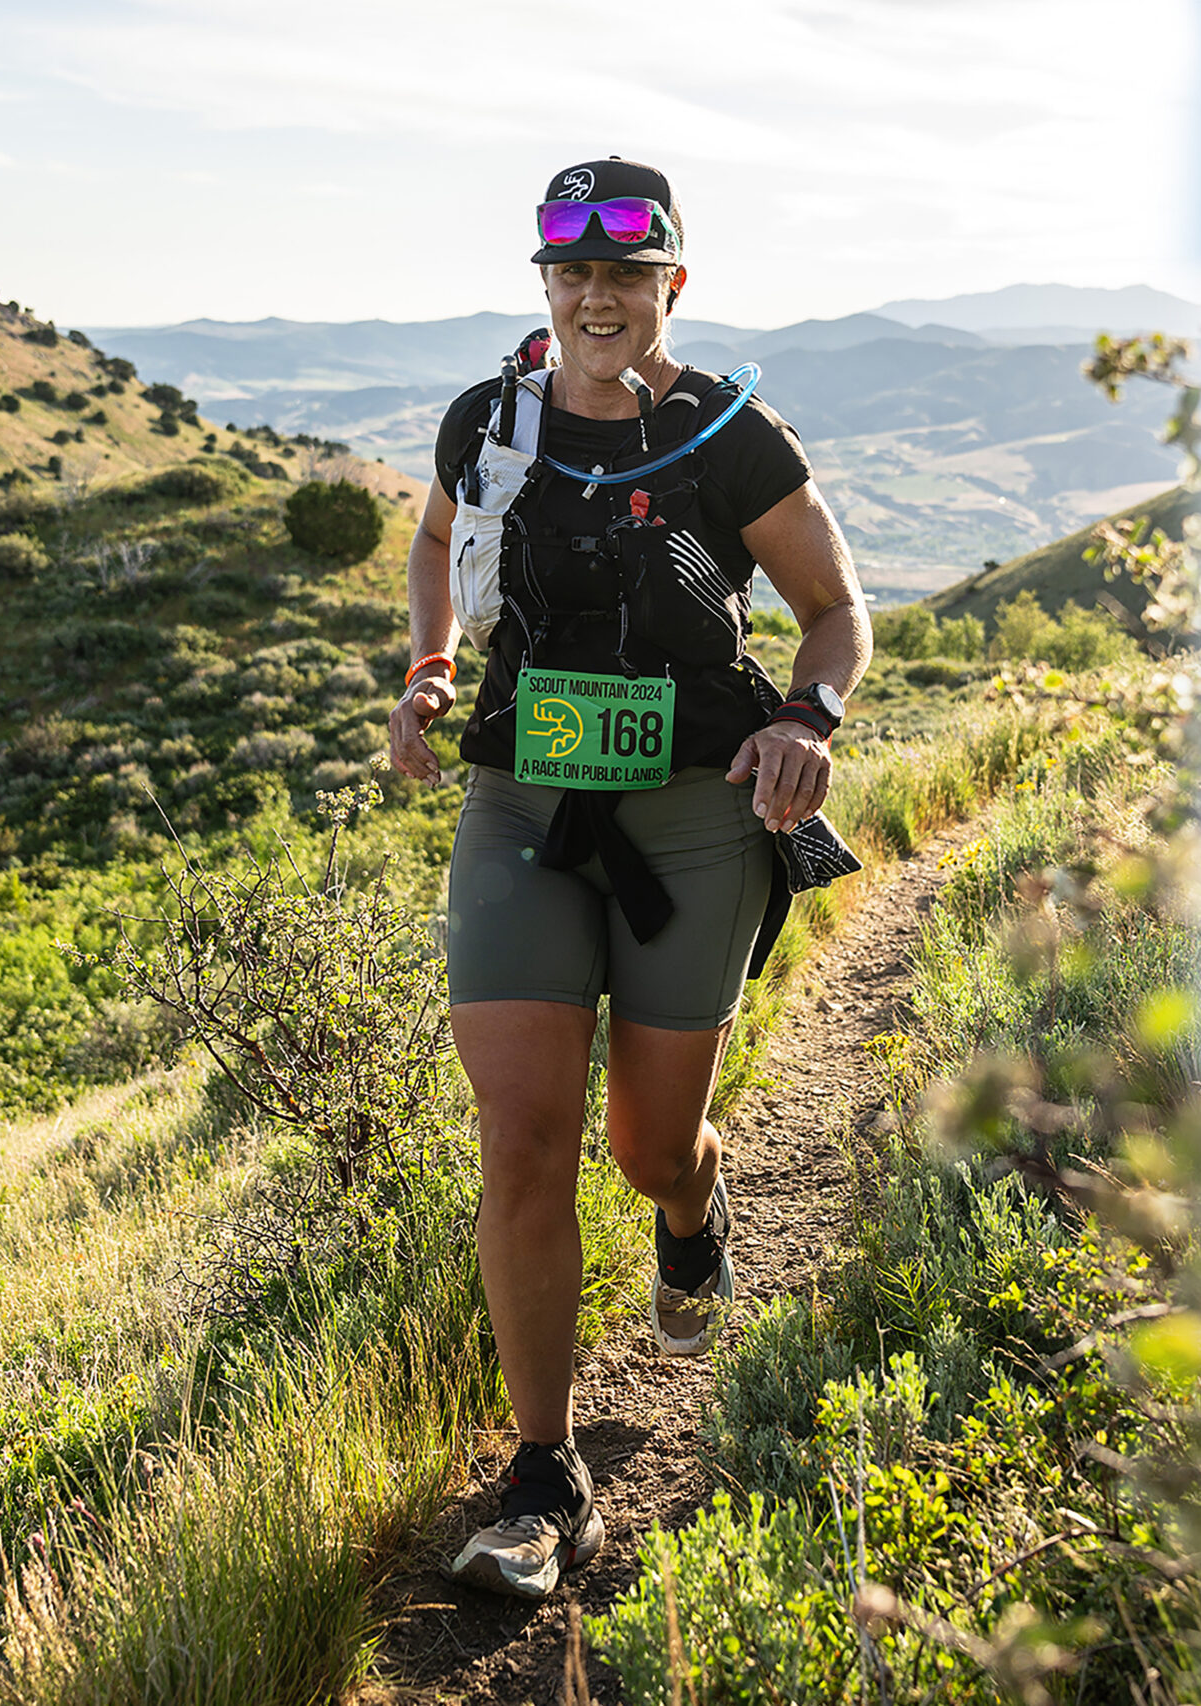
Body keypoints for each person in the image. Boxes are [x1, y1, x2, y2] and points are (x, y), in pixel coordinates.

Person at [388, 157, 871, 1600]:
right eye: (571, 273)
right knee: (521, 1133)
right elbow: (432, 543)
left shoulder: (731, 433)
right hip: (521, 804)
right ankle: (544, 1478)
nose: (598, 297)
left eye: (628, 272)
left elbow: (837, 610)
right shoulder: (489, 419)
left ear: (673, 280)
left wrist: (806, 717)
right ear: (545, 282)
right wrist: (430, 665)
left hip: (691, 819)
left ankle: (689, 1203)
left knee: (646, 1143)